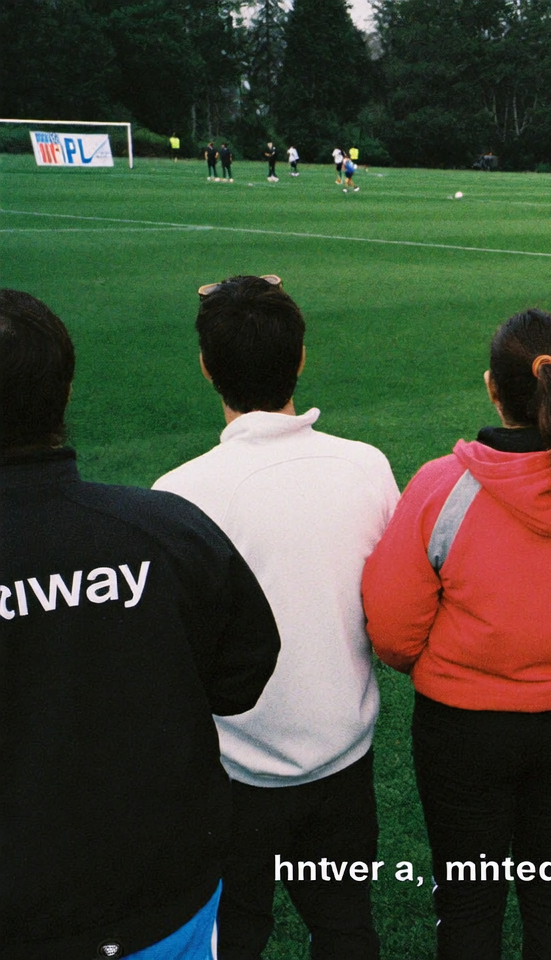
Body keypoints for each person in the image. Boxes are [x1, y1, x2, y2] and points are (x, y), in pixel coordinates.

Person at [361, 309, 551, 958]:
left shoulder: (442, 487)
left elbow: (391, 629)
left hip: (464, 729)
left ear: (491, 387)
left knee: (470, 901)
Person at [1, 288, 280, 960]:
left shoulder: (170, 527)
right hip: (163, 900)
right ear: (67, 393)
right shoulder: (167, 529)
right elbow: (242, 675)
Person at [153, 275, 397, 960]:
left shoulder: (178, 495)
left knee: (235, 938)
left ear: (207, 368)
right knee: (344, 929)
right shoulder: (365, 467)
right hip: (340, 758)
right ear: (301, 358)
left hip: (235, 774)